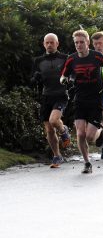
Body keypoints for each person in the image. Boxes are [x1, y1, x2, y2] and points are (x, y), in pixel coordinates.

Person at [60, 30, 103, 174]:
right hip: (79, 99)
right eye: (76, 42)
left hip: (95, 99)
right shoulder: (71, 59)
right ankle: (87, 162)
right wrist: (64, 81)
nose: (78, 45)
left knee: (90, 137)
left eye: (81, 42)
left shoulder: (96, 56)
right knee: (80, 133)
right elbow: (63, 76)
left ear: (87, 43)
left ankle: (100, 132)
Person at [31, 33, 71, 168]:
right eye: (47, 42)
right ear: (43, 44)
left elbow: (73, 75)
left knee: (54, 121)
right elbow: (33, 78)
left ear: (57, 44)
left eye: (52, 42)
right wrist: (35, 78)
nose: (49, 45)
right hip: (46, 96)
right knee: (48, 129)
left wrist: (70, 80)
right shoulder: (38, 61)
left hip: (61, 95)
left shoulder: (65, 58)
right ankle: (57, 156)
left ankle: (64, 130)